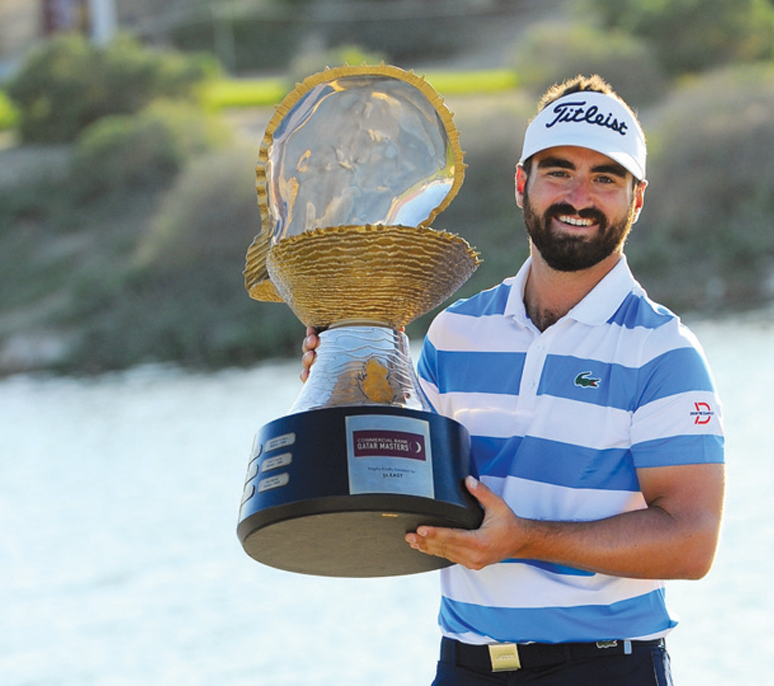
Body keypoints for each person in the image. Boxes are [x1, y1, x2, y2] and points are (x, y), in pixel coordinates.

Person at [301, 74, 725, 686]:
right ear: (521, 183)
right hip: (466, 664)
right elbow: (403, 481)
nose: (578, 196)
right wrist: (344, 374)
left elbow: (690, 543)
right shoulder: (455, 334)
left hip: (606, 668)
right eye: (558, 171)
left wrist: (522, 538)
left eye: (605, 177)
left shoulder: (665, 354)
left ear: (636, 200)